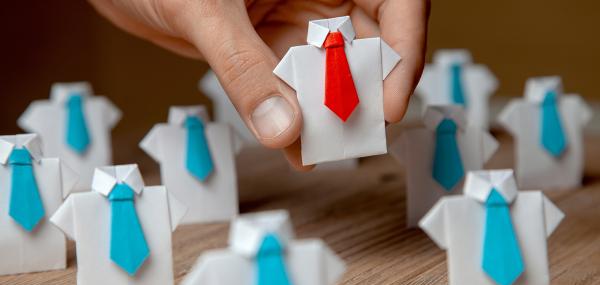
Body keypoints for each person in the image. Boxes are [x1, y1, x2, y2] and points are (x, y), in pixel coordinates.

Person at [88, 0, 430, 170]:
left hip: (353, 120)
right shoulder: (300, 59)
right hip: (320, 120)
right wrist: (258, 88)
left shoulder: (364, 53)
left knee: (391, 92)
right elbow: (275, 78)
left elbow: (390, 60)